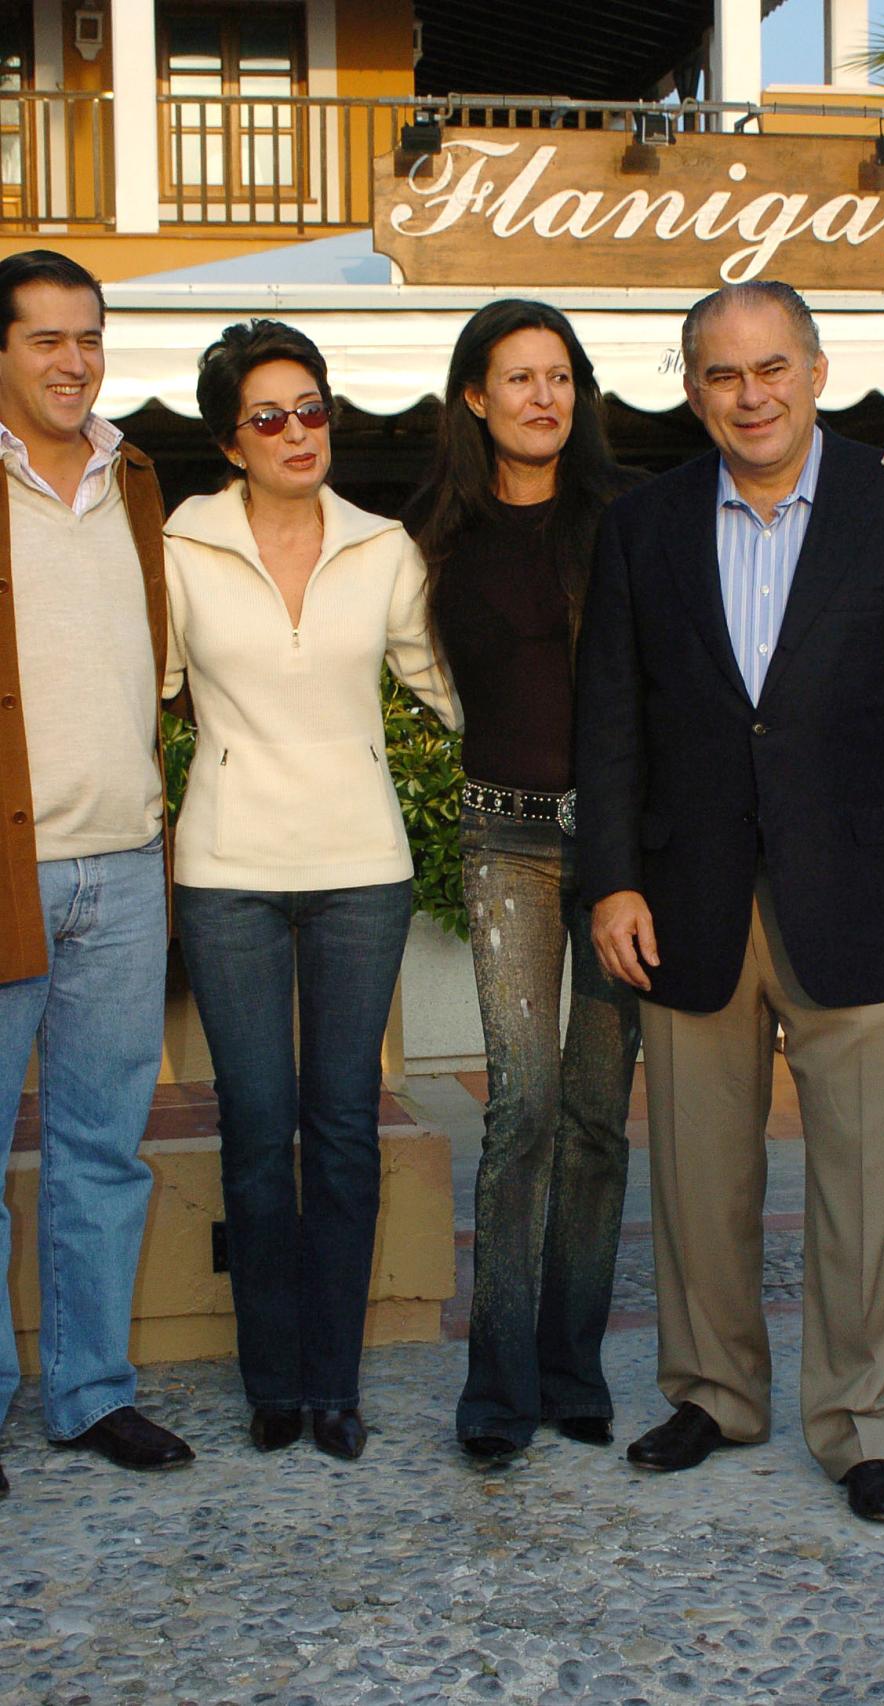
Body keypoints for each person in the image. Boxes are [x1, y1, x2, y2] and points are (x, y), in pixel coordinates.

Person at [574, 279, 884, 1523]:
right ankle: (712, 1390)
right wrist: (611, 879)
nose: (748, 394)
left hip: (859, 890)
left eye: (770, 368)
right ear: (691, 386)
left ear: (815, 371)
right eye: (721, 373)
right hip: (685, 898)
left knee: (859, 1179)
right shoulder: (642, 525)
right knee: (697, 1174)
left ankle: (858, 1421)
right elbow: (611, 722)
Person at [163, 319, 458, 1461]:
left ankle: (333, 1383)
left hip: (359, 872)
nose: (298, 432)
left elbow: (448, 680)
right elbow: (147, 683)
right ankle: (269, 1382)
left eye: (312, 408)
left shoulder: (382, 546)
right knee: (252, 1125)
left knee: (340, 1128)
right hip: (227, 868)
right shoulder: (181, 547)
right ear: (231, 442)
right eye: (269, 416)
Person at [406, 299, 642, 1462]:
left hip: (614, 851)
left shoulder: (628, 520)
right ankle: (495, 1386)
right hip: (502, 837)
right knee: (524, 1107)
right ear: (473, 397)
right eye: (517, 378)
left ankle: (571, 1366)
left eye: (560, 376)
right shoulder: (433, 533)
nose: (542, 396)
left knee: (598, 1117)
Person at [0, 249, 193, 1493]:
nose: (74, 361)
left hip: (123, 868)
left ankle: (86, 1391)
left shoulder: (135, 477)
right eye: (45, 340)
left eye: (89, 337)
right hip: (8, 869)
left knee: (100, 1149)